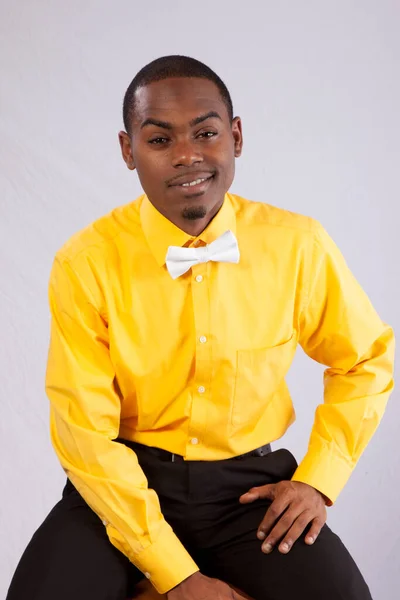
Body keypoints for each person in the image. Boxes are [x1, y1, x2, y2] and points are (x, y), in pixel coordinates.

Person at [6, 55, 394, 600]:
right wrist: (178, 578)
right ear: (128, 151)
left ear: (235, 137)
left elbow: (365, 359)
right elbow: (85, 434)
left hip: (249, 494)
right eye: (159, 140)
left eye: (206, 133)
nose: (187, 155)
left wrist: (317, 480)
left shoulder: (298, 245)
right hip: (121, 489)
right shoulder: (86, 262)